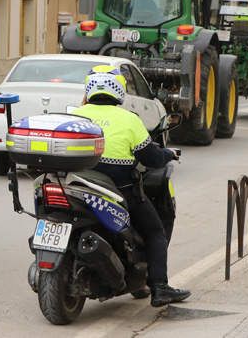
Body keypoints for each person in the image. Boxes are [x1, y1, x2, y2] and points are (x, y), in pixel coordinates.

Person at [71, 66, 191, 308]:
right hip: (120, 191)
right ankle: (159, 287)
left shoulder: (75, 115)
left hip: (75, 186)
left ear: (89, 89)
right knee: (155, 232)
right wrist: (167, 154)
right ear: (119, 90)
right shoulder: (129, 120)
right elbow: (151, 158)